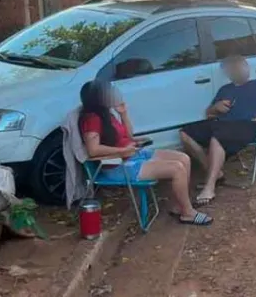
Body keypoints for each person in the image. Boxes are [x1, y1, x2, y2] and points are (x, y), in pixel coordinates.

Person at [79, 80, 212, 226]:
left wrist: (123, 114)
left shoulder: (106, 114)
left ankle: (179, 206)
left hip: (132, 155)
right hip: (117, 166)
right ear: (98, 97)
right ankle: (188, 213)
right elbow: (93, 150)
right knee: (177, 168)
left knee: (184, 158)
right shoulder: (92, 119)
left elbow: (128, 135)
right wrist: (122, 151)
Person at [179, 55, 256, 199]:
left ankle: (209, 188)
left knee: (218, 137)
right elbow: (208, 113)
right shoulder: (225, 89)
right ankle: (215, 173)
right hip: (221, 124)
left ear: (247, 67)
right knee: (185, 133)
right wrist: (216, 107)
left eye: (240, 66)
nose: (236, 70)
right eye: (232, 68)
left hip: (248, 125)